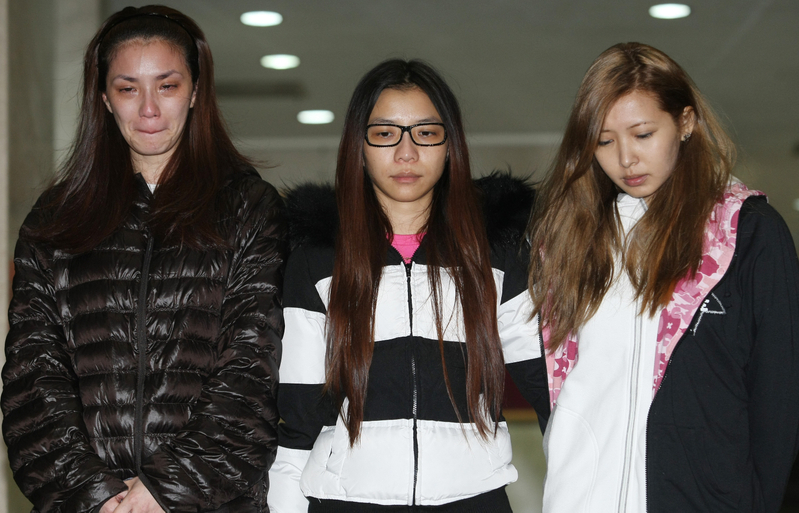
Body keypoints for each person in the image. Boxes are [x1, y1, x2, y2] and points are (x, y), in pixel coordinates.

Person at [2, 5, 286, 513]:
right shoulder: (55, 220)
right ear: (104, 98)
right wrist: (97, 496)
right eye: (128, 88)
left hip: (210, 501)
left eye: (167, 86)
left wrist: (161, 491)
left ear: (195, 91)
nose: (149, 109)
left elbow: (250, 372)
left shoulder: (248, 207)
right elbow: (32, 379)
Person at [526, 42, 799, 512]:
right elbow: (554, 383)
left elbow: (778, 398)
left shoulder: (748, 232)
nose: (626, 158)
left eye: (643, 134)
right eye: (604, 141)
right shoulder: (568, 239)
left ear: (685, 122)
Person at [267, 59, 549, 512]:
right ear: (359, 146)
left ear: (450, 145)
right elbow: (298, 421)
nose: (406, 153)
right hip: (345, 502)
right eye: (385, 133)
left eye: (426, 133)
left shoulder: (496, 255)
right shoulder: (317, 261)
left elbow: (552, 392)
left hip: (474, 500)